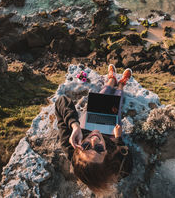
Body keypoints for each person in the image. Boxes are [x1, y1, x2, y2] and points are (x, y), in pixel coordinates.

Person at [55, 65, 133, 196]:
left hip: (88, 124)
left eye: (85, 146)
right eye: (99, 149)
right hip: (110, 132)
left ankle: (111, 79)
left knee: (102, 96)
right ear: (109, 156)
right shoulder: (120, 167)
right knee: (116, 104)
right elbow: (127, 156)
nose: (94, 139)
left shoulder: (71, 146)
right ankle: (120, 85)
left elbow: (61, 101)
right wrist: (118, 139)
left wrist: (75, 125)